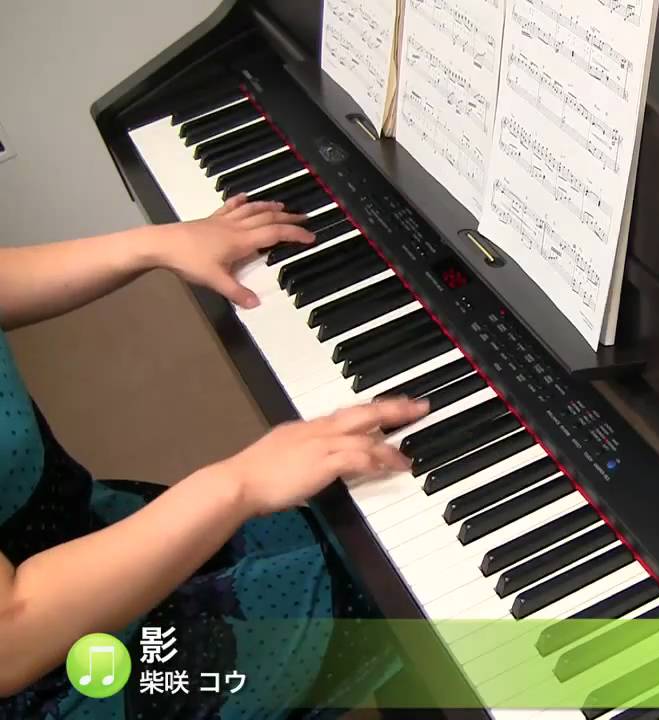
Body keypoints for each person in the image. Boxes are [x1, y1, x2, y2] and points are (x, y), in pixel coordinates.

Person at [0, 195, 429, 718]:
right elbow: (11, 638)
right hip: (55, 665)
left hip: (72, 528)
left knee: (361, 522)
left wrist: (149, 245)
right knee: (394, 574)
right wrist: (242, 483)